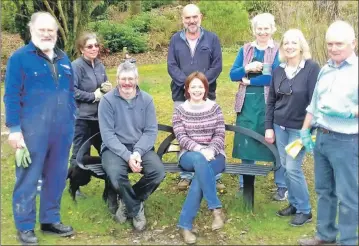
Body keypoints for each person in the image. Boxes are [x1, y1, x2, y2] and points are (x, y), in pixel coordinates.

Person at [4, 12, 75, 244]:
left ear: (56, 33)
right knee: (28, 179)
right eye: (42, 29)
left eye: (50, 30)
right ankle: (25, 227)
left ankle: (50, 220)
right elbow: (11, 96)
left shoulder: (64, 59)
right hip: (32, 132)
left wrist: (72, 120)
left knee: (56, 177)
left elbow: (70, 93)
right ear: (31, 30)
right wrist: (14, 129)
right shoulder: (19, 58)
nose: (46, 34)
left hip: (62, 131)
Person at [298, 20, 358, 245]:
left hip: (347, 141)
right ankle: (325, 235)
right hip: (321, 137)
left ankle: (349, 240)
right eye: (330, 44)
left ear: (353, 43)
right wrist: (305, 131)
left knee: (348, 196)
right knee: (324, 190)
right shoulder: (325, 69)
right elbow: (313, 104)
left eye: (339, 44)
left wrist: (350, 112)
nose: (333, 48)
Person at [98, 61, 166, 232]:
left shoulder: (147, 100)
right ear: (117, 79)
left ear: (137, 79)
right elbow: (107, 135)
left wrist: (136, 152)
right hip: (114, 149)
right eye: (123, 79)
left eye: (130, 78)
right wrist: (127, 156)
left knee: (158, 172)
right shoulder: (106, 101)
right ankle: (135, 209)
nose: (127, 83)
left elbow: (150, 131)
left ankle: (127, 201)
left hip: (140, 148)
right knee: (115, 173)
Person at [265, 29, 320, 226]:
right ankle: (294, 204)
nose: (289, 46)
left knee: (293, 167)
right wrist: (268, 126)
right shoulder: (278, 70)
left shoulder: (312, 69)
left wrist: (308, 128)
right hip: (280, 127)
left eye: (293, 43)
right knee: (285, 166)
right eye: (286, 43)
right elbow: (271, 100)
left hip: (300, 128)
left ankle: (305, 210)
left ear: (301, 46)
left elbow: (315, 101)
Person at [229, 13, 287, 200]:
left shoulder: (278, 50)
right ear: (254, 30)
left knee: (275, 143)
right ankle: (244, 184)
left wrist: (249, 81)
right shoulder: (245, 50)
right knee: (246, 141)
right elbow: (233, 75)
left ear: (273, 29)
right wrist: (247, 68)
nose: (262, 32)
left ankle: (281, 185)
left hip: (270, 104)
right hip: (246, 104)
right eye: (259, 28)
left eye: (266, 28)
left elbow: (275, 77)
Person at [167, 3, 224, 191]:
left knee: (209, 132)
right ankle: (186, 175)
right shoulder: (175, 39)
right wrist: (189, 85)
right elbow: (171, 65)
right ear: (182, 19)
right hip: (180, 94)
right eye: (187, 18)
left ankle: (213, 174)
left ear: (201, 17)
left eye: (194, 17)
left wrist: (200, 85)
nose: (191, 21)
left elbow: (217, 65)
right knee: (182, 133)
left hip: (206, 94)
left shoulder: (212, 39)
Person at [172, 72, 226, 244]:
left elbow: (220, 134)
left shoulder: (215, 108)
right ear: (187, 89)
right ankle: (216, 209)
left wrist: (211, 149)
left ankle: (185, 225)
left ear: (205, 89)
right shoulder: (180, 110)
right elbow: (181, 137)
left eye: (200, 87)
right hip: (189, 155)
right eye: (193, 86)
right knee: (199, 161)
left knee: (199, 178)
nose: (197, 90)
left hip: (215, 155)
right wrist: (200, 150)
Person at [67, 32, 112, 198]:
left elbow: (104, 85)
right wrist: (93, 96)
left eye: (96, 45)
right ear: (81, 49)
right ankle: (74, 186)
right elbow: (71, 91)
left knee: (106, 150)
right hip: (82, 119)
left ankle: (111, 185)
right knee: (80, 153)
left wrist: (106, 88)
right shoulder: (76, 66)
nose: (94, 49)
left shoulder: (99, 65)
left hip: (99, 118)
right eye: (89, 46)